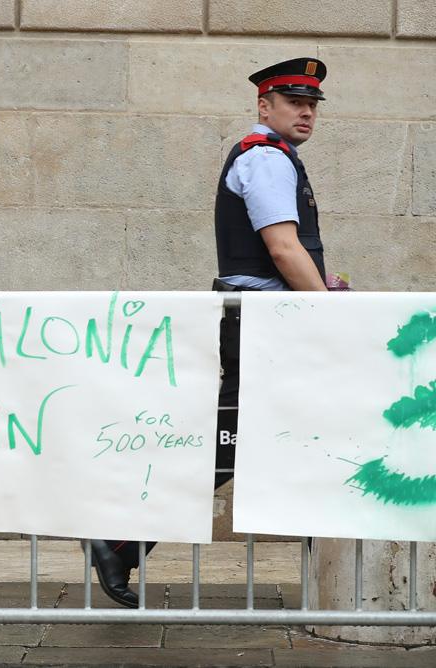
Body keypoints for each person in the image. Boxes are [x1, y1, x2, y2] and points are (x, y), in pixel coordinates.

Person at [86, 58, 330, 607]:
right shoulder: (267, 159)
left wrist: (324, 283)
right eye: (295, 102)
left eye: (312, 104)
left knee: (235, 437)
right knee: (230, 439)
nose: (307, 112)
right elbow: (282, 247)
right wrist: (327, 311)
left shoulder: (273, 157)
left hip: (266, 318)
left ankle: (121, 535)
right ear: (264, 106)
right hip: (266, 322)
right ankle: (117, 530)